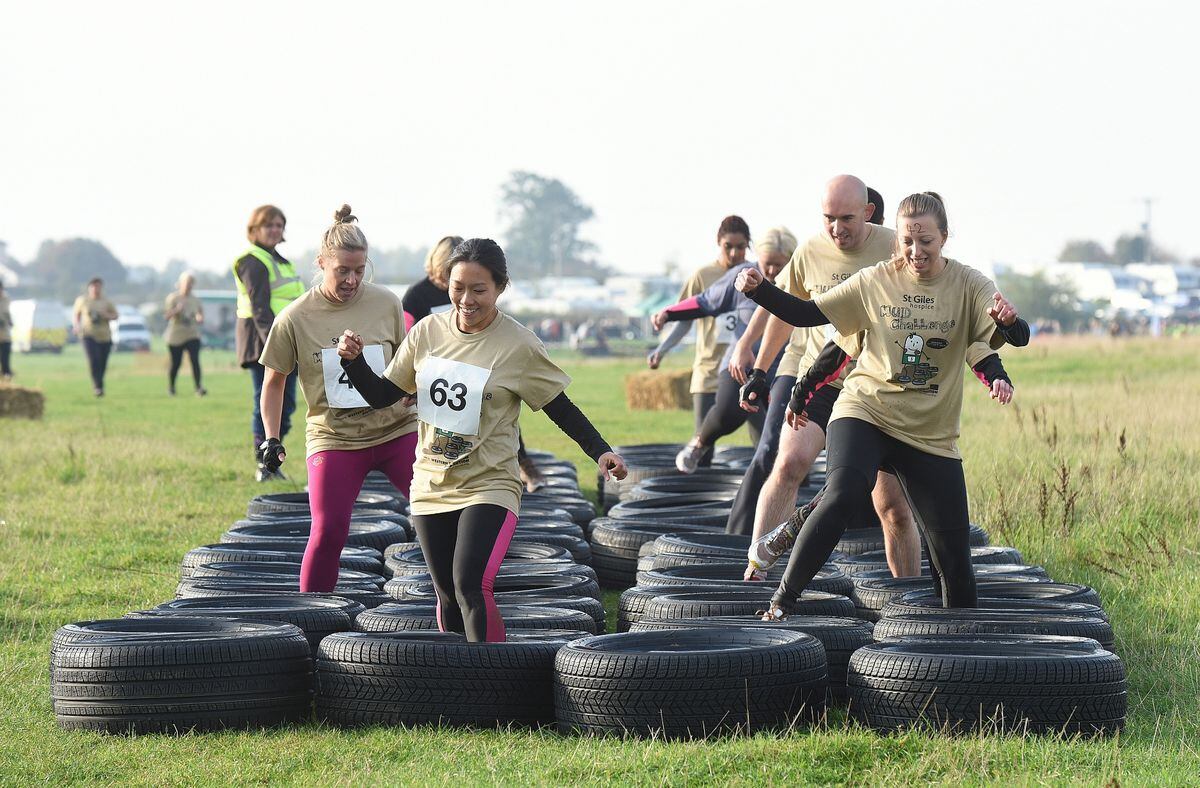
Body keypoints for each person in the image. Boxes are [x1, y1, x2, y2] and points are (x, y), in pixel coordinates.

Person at [734, 191, 1030, 617]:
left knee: (953, 559)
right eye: (907, 241)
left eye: (926, 241)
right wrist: (761, 291)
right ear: (897, 240)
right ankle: (781, 601)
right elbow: (808, 316)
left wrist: (1006, 340)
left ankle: (953, 641)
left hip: (929, 433)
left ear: (945, 237)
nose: (916, 251)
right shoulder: (875, 281)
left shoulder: (968, 284)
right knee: (844, 493)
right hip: (865, 410)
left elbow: (1007, 339)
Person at [338, 238, 627, 642]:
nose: (466, 299)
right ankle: (464, 692)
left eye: (479, 290)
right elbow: (385, 395)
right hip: (431, 483)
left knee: (470, 585)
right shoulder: (427, 332)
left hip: (490, 484)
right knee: (447, 595)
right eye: (458, 287)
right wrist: (352, 364)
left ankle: (490, 680)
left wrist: (601, 451)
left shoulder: (519, 344)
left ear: (500, 288)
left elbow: (559, 407)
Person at [725, 177, 897, 545]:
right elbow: (784, 310)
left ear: (868, 213)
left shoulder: (895, 248)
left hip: (875, 387)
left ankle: (901, 595)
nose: (837, 229)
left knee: (890, 502)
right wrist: (758, 370)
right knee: (787, 463)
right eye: (828, 218)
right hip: (820, 381)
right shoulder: (810, 251)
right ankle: (757, 565)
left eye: (847, 218)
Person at [257, 205, 418, 593]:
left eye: (359, 270)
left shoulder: (386, 302)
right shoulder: (294, 318)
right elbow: (274, 381)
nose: (351, 280)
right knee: (328, 530)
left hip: (396, 429)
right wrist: (272, 437)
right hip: (336, 437)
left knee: (437, 514)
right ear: (321, 263)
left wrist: (414, 388)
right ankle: (311, 618)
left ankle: (458, 603)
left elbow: (407, 358)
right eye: (341, 270)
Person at [403, 233, 543, 490]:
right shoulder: (416, 296)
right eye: (453, 280)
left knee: (499, 412)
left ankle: (522, 465)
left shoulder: (474, 293)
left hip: (476, 368)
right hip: (439, 376)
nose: (465, 296)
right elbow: (407, 340)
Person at [651, 227, 798, 472]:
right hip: (741, 362)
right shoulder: (742, 276)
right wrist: (669, 313)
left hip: (781, 369)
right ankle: (700, 443)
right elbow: (704, 301)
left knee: (779, 445)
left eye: (779, 265)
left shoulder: (801, 280)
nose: (772, 271)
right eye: (767, 264)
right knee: (730, 410)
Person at [648, 216, 748, 467]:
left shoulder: (756, 272)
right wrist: (662, 349)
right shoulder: (703, 276)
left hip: (747, 371)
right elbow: (685, 318)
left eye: (741, 246)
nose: (735, 253)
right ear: (718, 242)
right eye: (728, 246)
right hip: (708, 373)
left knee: (767, 445)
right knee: (702, 450)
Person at [234, 204, 304, 481]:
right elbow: (261, 308)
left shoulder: (281, 261)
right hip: (263, 341)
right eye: (269, 225)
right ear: (254, 229)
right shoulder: (252, 261)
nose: (275, 230)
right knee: (264, 402)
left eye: (279, 225)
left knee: (286, 406)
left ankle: (271, 461)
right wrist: (274, 347)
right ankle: (264, 463)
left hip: (286, 341)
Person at [72, 277, 119, 397]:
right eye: (93, 286)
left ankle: (100, 383)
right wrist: (76, 326)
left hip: (105, 335)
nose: (95, 289)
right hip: (88, 334)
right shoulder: (83, 300)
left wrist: (106, 315)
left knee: (102, 362)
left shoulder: (106, 301)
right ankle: (97, 387)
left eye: (98, 286)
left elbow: (116, 315)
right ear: (89, 288)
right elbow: (76, 315)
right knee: (94, 360)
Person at [163, 272, 206, 397]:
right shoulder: (173, 298)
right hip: (176, 335)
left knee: (195, 360)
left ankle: (198, 387)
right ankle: (171, 387)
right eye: (186, 284)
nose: (188, 286)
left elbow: (200, 314)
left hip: (192, 333)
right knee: (176, 363)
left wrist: (199, 317)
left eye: (191, 284)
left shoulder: (195, 300)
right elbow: (166, 316)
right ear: (180, 284)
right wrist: (177, 310)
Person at [0, 280, 12, 381]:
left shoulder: (6, 298)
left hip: (4, 334)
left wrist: (10, 321)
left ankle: (6, 374)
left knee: (5, 356)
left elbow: (7, 312)